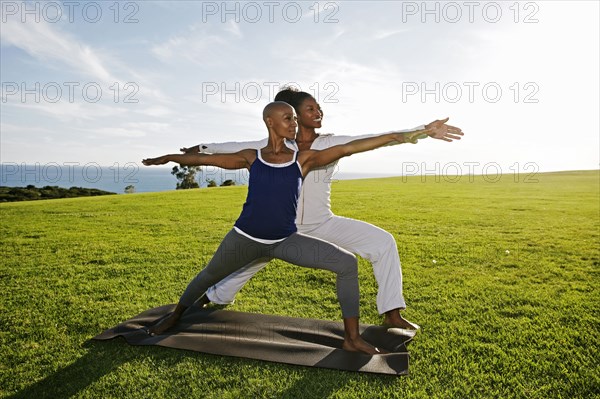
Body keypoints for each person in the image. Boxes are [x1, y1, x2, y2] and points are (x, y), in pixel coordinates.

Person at [142, 102, 460, 355]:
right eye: (298, 113)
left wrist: (418, 131)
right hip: (263, 234)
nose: (305, 117)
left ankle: (372, 325)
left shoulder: (317, 151)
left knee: (364, 253)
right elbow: (219, 153)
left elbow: (367, 142)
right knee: (222, 273)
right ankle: (193, 307)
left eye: (303, 114)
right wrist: (181, 154)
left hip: (305, 231)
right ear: (276, 121)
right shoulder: (257, 151)